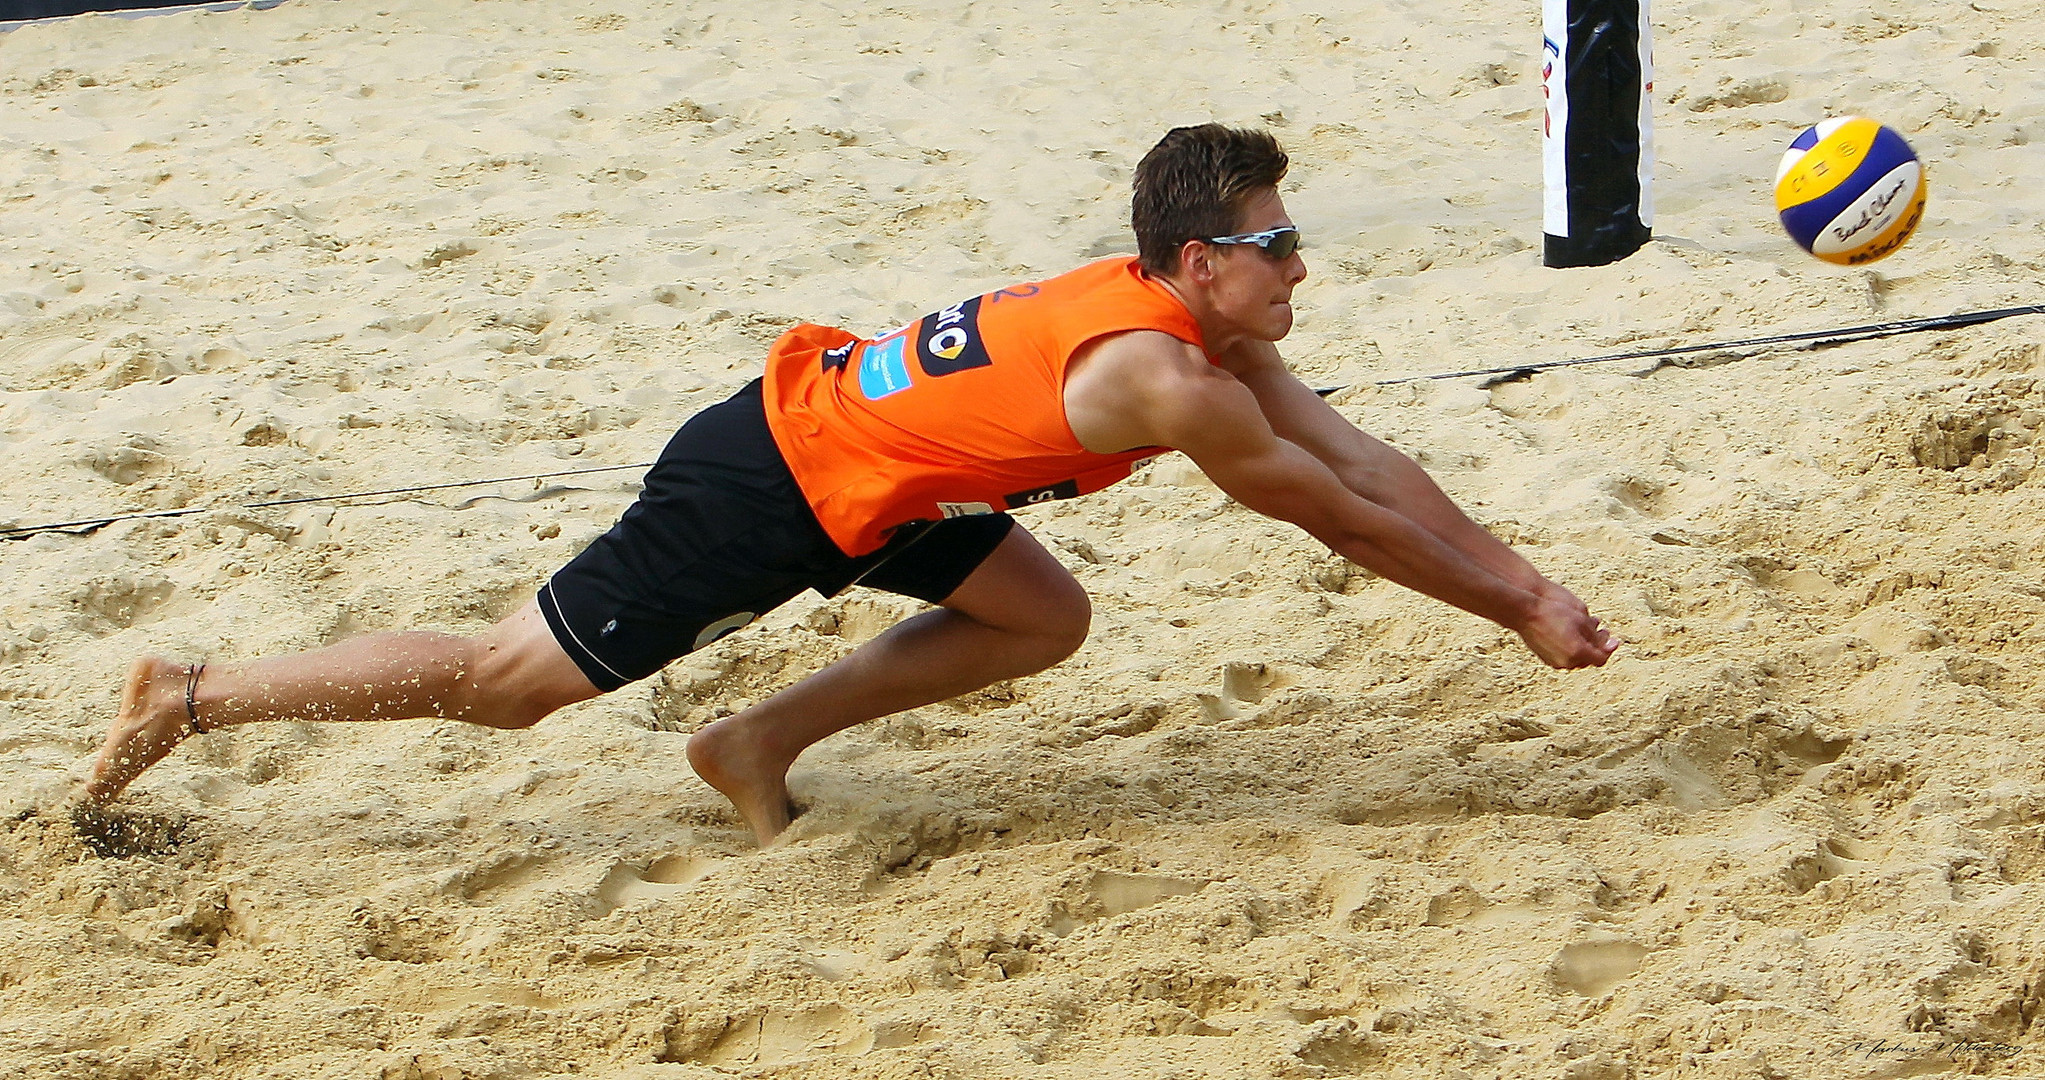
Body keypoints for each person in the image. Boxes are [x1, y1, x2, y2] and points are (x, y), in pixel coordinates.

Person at [81, 124, 1618, 845]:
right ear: (1200, 261)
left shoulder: (1187, 322)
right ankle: (195, 687)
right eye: (1276, 244)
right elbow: (1329, 514)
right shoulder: (1166, 375)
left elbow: (1362, 458)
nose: (1299, 264)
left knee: (1036, 613)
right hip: (768, 480)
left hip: (872, 482)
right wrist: (1515, 613)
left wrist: (1528, 584)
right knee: (507, 681)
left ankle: (754, 739)